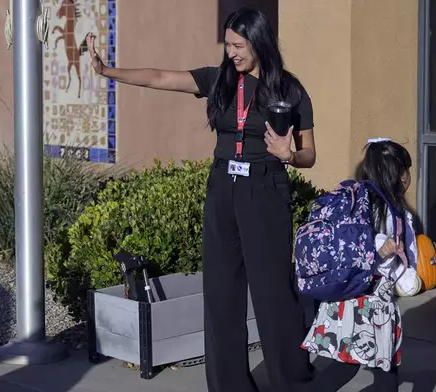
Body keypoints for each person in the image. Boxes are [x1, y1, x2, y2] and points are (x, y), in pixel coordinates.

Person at [85, 7, 317, 392]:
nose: (231, 53)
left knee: (273, 293)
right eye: (227, 45)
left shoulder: (289, 90)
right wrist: (108, 71)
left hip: (265, 189)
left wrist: (289, 154)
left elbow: (310, 155)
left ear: (259, 42)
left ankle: (291, 380)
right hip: (222, 187)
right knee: (222, 293)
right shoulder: (220, 80)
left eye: (238, 45)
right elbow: (161, 77)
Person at [301, 140, 416, 392]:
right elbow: (381, 256)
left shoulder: (361, 202)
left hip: (349, 298)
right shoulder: (387, 210)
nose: (409, 175)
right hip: (368, 303)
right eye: (406, 168)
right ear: (396, 173)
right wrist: (401, 269)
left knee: (378, 368)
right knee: (368, 368)